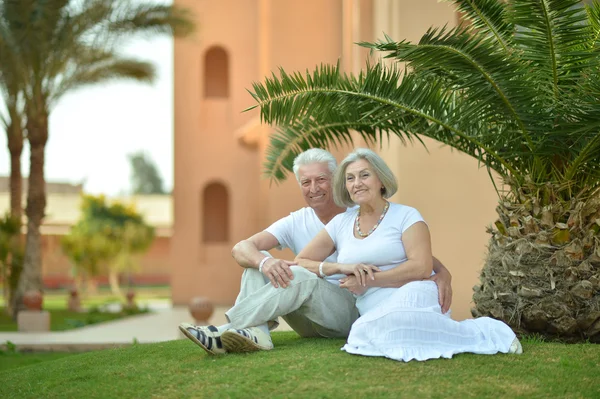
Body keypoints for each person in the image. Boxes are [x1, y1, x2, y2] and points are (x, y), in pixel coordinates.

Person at [179, 148, 453, 355]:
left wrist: (442, 272)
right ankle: (257, 332)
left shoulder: (370, 211)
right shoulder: (329, 222)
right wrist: (269, 264)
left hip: (346, 310)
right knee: (262, 265)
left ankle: (227, 329)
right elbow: (246, 249)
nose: (314, 189)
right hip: (306, 309)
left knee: (300, 275)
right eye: (306, 182)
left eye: (321, 179)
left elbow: (408, 253)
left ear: (334, 181)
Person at [296, 148, 522, 362]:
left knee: (392, 323)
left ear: (381, 180)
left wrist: (368, 279)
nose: (357, 184)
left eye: (364, 175)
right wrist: (336, 268)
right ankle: (451, 332)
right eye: (350, 178)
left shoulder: (406, 215)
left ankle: (491, 332)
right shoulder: (340, 223)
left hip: (414, 290)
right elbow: (301, 262)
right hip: (371, 305)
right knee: (363, 332)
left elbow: (421, 267)